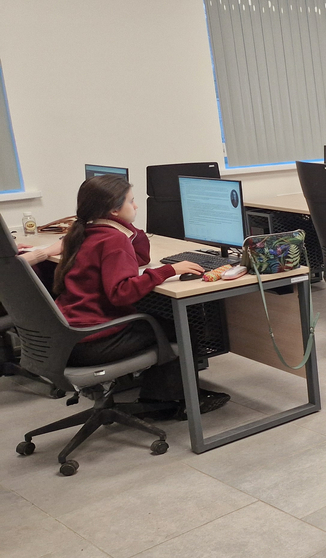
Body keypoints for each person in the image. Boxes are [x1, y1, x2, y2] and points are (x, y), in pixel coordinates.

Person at [53, 175, 229, 413]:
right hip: (93, 341)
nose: (136, 206)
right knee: (182, 327)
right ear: (114, 210)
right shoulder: (113, 239)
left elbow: (141, 258)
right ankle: (176, 403)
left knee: (159, 320)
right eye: (131, 201)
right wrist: (168, 270)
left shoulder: (87, 232)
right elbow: (121, 293)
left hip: (70, 337)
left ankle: (162, 396)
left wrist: (127, 227)